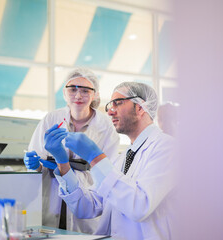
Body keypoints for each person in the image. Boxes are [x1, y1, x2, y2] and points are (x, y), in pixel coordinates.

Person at [44, 82, 176, 239]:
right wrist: (62, 162)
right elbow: (87, 206)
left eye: (118, 103)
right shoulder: (123, 158)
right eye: (109, 106)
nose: (110, 112)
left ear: (141, 107)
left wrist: (95, 157)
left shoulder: (168, 148)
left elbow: (140, 205)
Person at [23, 68, 120, 234]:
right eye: (72, 89)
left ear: (95, 94)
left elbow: (108, 172)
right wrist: (34, 164)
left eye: (85, 90)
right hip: (50, 198)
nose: (78, 95)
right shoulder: (51, 119)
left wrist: (71, 164)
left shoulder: (106, 127)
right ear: (64, 92)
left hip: (87, 199)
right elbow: (36, 159)